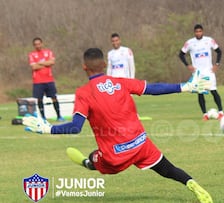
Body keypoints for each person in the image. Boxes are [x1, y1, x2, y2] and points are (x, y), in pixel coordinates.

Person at [23, 48, 213, 203]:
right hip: (140, 144)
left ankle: (86, 162)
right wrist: (185, 87)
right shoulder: (120, 82)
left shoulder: (84, 93)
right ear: (105, 64)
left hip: (115, 155)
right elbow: (153, 88)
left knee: (92, 161)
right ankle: (191, 182)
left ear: (84, 67)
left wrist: (47, 128)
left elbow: (75, 127)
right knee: (167, 169)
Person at [179, 24, 224, 121]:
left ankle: (221, 112)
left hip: (209, 71)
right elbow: (181, 54)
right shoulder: (190, 43)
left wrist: (216, 64)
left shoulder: (209, 40)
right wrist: (188, 65)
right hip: (197, 73)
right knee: (200, 93)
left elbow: (219, 51)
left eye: (200, 31)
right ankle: (205, 114)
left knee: (213, 91)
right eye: (196, 32)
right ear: (194, 32)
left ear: (202, 32)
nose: (198, 33)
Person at [28, 37, 64, 121]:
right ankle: (43, 117)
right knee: (39, 99)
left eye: (39, 44)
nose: (38, 46)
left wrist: (40, 63)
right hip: (38, 81)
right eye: (36, 44)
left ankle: (59, 116)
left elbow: (52, 62)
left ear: (42, 44)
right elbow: (34, 67)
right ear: (34, 46)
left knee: (54, 97)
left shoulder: (48, 52)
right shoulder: (32, 54)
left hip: (49, 80)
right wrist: (46, 63)